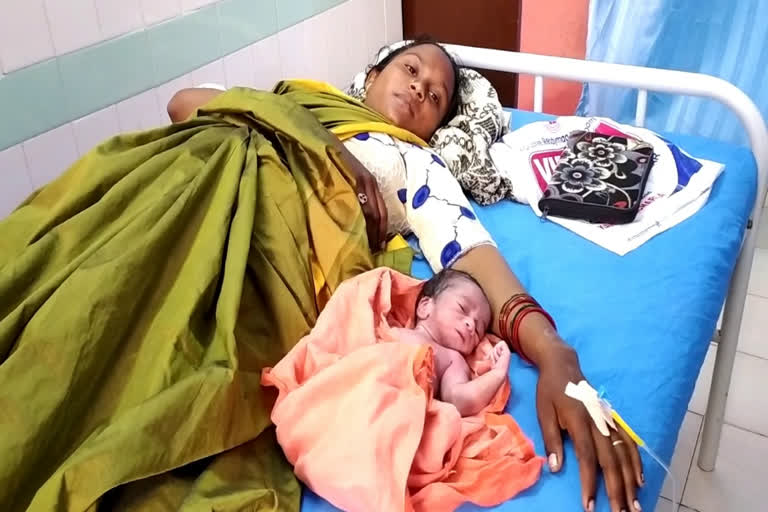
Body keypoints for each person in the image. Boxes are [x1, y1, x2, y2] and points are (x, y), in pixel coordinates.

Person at [169, 38, 643, 512]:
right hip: (192, 192)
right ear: (373, 75)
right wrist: (323, 142)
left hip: (256, 250)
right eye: (411, 70)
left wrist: (554, 352)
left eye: (435, 97)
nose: (420, 88)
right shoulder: (297, 98)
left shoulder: (415, 163)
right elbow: (182, 104)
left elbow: (472, 255)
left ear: (436, 127)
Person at [391, 268, 507, 417]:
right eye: (462, 308)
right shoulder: (392, 330)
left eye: (479, 329)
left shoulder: (453, 360)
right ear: (425, 306)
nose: (471, 324)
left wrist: (497, 374)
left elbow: (459, 400)